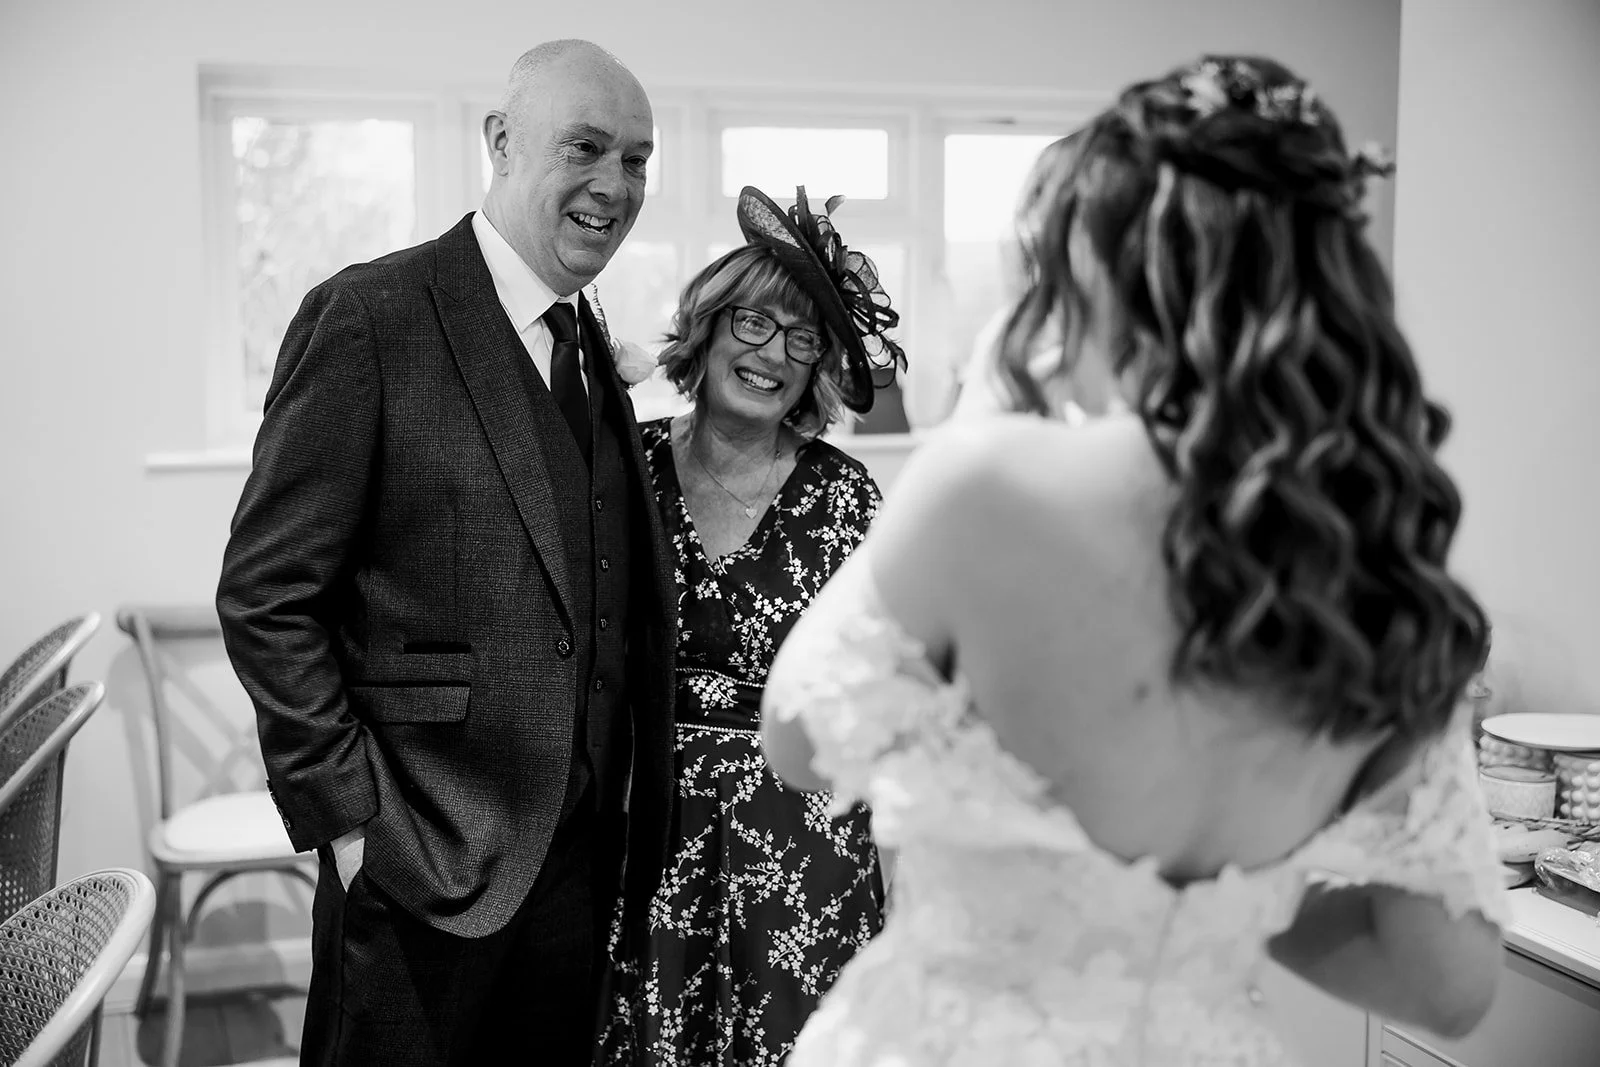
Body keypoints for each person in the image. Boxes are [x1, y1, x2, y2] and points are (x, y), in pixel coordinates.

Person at [761, 55, 1508, 1065]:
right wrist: (1213, 904)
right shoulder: (1384, 575)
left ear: (1112, 266)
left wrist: (983, 424)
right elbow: (1448, 982)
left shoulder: (992, 481)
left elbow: (801, 742)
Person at [215, 39, 677, 1067]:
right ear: (502, 143)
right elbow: (266, 590)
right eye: (587, 147)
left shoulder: (587, 339)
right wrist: (351, 829)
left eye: (637, 159)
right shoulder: (372, 316)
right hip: (420, 859)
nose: (615, 184)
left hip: (579, 866)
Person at [599, 186, 904, 1066]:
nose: (774, 355)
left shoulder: (848, 497)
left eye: (803, 341)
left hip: (806, 837)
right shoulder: (627, 465)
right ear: (708, 329)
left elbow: (884, 685)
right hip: (645, 824)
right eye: (755, 326)